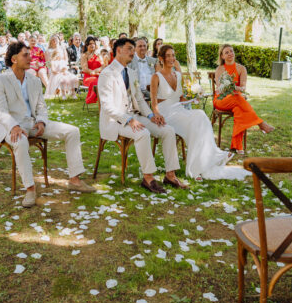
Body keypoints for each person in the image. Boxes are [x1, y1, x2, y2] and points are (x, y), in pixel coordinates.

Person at [0, 41, 96, 208]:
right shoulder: (0, 80)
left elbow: (41, 106)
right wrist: (14, 126)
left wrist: (41, 121)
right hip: (9, 126)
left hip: (32, 123)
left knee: (72, 131)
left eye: (29, 54)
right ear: (13, 59)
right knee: (20, 141)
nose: (30, 57)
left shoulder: (34, 80)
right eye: (25, 55)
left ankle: (75, 180)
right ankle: (30, 188)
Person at [97, 38, 187, 193]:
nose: (133, 52)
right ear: (118, 50)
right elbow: (106, 106)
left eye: (133, 49)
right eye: (130, 49)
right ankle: (148, 178)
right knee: (143, 133)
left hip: (134, 116)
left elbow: (139, 98)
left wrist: (152, 115)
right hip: (115, 121)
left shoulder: (131, 72)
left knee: (168, 130)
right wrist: (128, 119)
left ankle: (170, 175)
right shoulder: (107, 74)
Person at [151, 45, 243, 180]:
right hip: (166, 113)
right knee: (195, 121)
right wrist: (156, 113)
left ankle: (207, 160)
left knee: (200, 115)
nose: (172, 58)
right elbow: (153, 101)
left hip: (179, 109)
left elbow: (180, 97)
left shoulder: (178, 75)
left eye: (173, 55)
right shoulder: (156, 77)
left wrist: (193, 98)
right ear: (161, 58)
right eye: (168, 56)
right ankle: (196, 169)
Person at [212, 44, 275, 154]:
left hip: (237, 100)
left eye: (231, 51)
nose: (230, 54)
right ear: (222, 56)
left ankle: (237, 146)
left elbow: (243, 88)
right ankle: (260, 123)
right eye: (226, 52)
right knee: (237, 96)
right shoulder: (219, 69)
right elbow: (220, 89)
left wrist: (233, 87)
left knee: (239, 110)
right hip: (222, 101)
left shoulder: (241, 69)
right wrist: (231, 88)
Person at [45, 34, 79, 99]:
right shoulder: (47, 51)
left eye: (56, 39)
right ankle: (59, 90)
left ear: (59, 40)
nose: (55, 41)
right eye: (53, 40)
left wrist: (64, 67)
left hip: (62, 66)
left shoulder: (62, 48)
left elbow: (66, 60)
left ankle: (71, 92)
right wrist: (56, 66)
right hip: (53, 67)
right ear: (51, 41)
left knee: (69, 75)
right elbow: (48, 63)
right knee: (58, 76)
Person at [80, 36, 104, 104]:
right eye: (90, 43)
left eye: (93, 43)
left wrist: (97, 70)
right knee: (96, 82)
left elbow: (103, 65)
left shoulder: (98, 54)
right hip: (89, 76)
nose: (92, 45)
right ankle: (92, 99)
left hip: (99, 75)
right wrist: (93, 73)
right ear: (87, 45)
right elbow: (85, 69)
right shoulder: (84, 55)